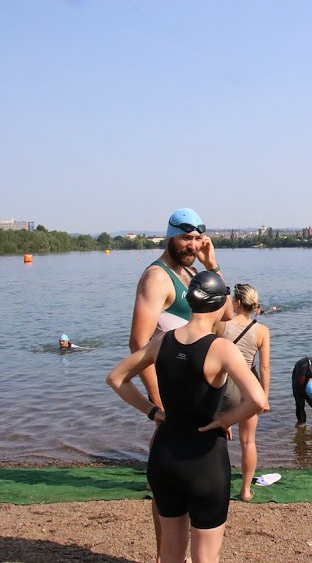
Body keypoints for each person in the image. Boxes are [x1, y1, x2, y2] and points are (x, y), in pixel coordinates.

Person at [107, 271, 263, 563]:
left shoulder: (162, 342)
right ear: (219, 304)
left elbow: (116, 378)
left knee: (170, 553)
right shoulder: (221, 348)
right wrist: (224, 421)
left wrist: (153, 412)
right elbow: (257, 400)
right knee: (205, 557)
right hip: (205, 459)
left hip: (164, 454)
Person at [128, 207, 230, 562]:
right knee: (169, 504)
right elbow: (139, 344)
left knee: (188, 492)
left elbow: (226, 313)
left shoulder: (188, 272)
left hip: (197, 403)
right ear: (169, 235)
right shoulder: (157, 278)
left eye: (197, 239)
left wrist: (211, 265)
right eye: (185, 238)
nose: (191, 245)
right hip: (173, 408)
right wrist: (158, 407)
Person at [212, 283, 270, 502]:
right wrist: (264, 397)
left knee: (216, 437)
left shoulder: (220, 325)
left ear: (236, 302)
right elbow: (264, 368)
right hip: (250, 386)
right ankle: (245, 490)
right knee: (248, 442)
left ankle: (215, 485)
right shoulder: (262, 331)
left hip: (224, 386)